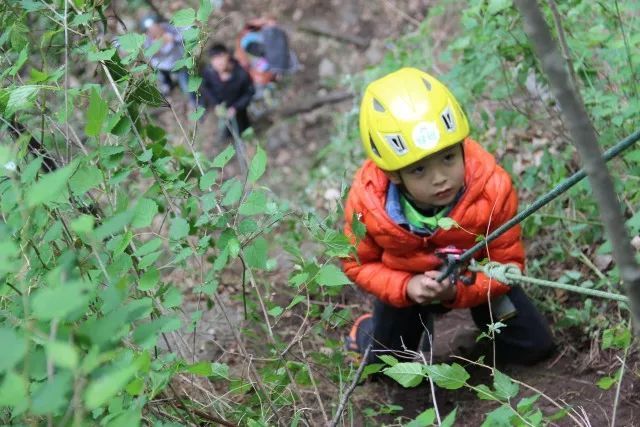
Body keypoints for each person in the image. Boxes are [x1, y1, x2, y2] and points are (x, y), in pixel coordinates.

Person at [342, 68, 554, 366]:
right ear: (393, 173)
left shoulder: (492, 188)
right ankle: (368, 330)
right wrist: (407, 287)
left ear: (462, 148)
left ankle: (477, 345)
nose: (440, 178)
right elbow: (357, 263)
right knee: (383, 367)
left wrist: (458, 289)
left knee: (534, 346)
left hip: (474, 277)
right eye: (419, 169)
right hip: (407, 285)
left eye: (448, 158)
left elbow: (507, 263)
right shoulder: (368, 204)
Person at [201, 44, 255, 139]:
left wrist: (235, 107)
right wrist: (216, 104)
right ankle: (227, 137)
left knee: (242, 128)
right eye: (214, 59)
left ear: (228, 55)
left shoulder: (241, 73)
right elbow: (206, 88)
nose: (218, 62)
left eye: (221, 57)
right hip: (222, 107)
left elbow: (249, 92)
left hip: (239, 108)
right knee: (226, 130)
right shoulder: (209, 72)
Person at [142, 17, 190, 99]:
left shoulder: (167, 29)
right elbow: (149, 54)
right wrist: (158, 47)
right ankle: (167, 85)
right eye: (151, 29)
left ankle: (191, 98)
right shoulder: (148, 40)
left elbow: (184, 33)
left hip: (178, 62)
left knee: (186, 85)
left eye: (155, 26)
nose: (154, 30)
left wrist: (173, 39)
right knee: (161, 75)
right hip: (162, 66)